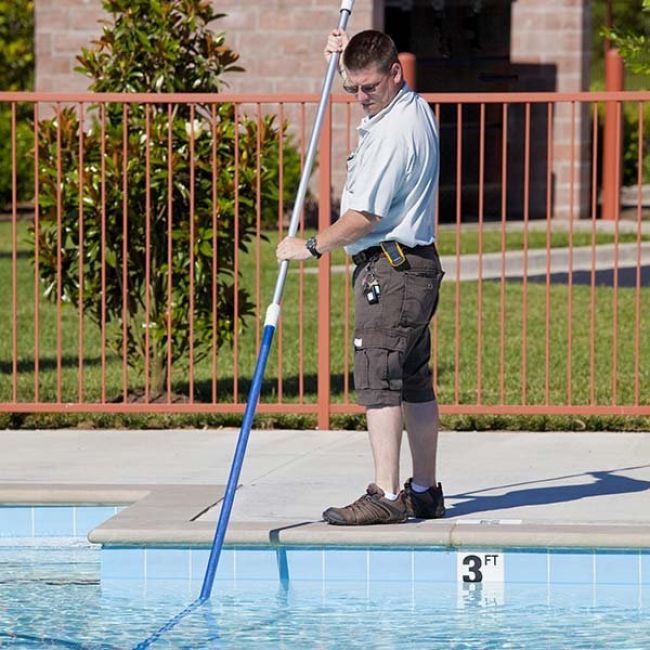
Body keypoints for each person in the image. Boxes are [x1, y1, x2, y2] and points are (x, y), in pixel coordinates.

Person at [276, 28, 445, 525]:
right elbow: (369, 63)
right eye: (352, 88)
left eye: (368, 87)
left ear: (396, 73)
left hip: (390, 270)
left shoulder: (395, 132)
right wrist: (344, 52)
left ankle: (388, 494)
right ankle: (424, 490)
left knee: (379, 380)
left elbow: (363, 216)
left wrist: (309, 246)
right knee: (413, 381)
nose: (359, 98)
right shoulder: (408, 106)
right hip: (412, 267)